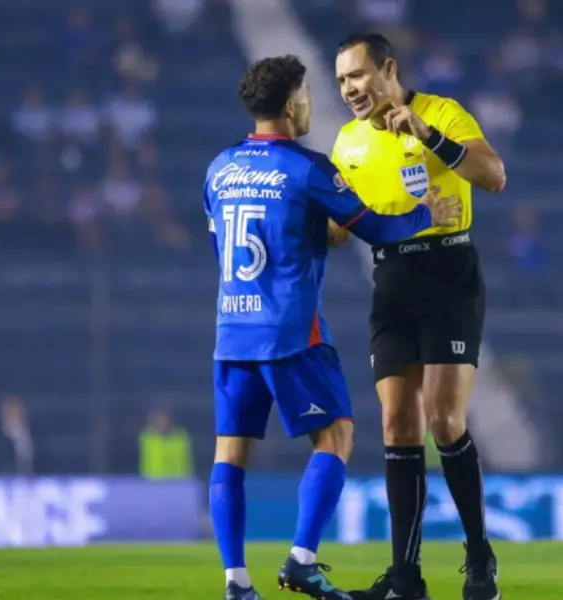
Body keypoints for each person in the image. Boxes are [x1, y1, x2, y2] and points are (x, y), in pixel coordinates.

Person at [204, 54, 460, 600]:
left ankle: (236, 582)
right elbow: (376, 230)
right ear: (291, 104)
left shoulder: (219, 168)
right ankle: (301, 560)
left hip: (232, 329)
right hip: (291, 330)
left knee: (230, 453)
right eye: (308, 96)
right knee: (337, 435)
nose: (311, 106)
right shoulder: (307, 168)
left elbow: (223, 243)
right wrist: (425, 214)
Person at [331, 33, 507, 600]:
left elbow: (493, 176)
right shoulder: (347, 142)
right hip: (392, 280)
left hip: (448, 272)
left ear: (387, 68)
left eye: (357, 75)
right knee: (397, 424)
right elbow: (336, 230)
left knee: (444, 419)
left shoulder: (442, 113)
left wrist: (428, 137)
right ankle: (406, 578)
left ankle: (479, 557)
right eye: (341, 81)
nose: (349, 89)